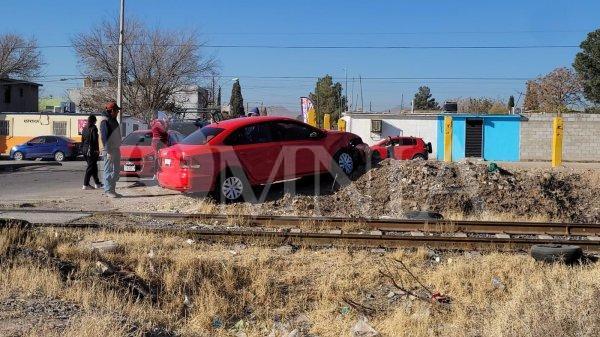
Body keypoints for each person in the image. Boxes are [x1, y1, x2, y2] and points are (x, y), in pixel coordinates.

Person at [100, 101, 122, 198]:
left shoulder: (113, 119)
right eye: (117, 111)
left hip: (116, 148)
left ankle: (113, 190)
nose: (118, 112)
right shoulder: (105, 121)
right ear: (112, 111)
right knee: (108, 170)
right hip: (109, 149)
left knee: (116, 171)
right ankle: (108, 190)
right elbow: (105, 137)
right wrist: (108, 151)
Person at [81, 115, 102, 190]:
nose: (96, 122)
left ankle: (97, 183)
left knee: (93, 166)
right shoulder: (93, 128)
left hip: (84, 150)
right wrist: (97, 150)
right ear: (93, 121)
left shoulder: (84, 128)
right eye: (95, 120)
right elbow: (94, 140)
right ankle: (85, 184)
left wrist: (82, 149)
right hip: (91, 151)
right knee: (90, 167)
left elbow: (82, 140)